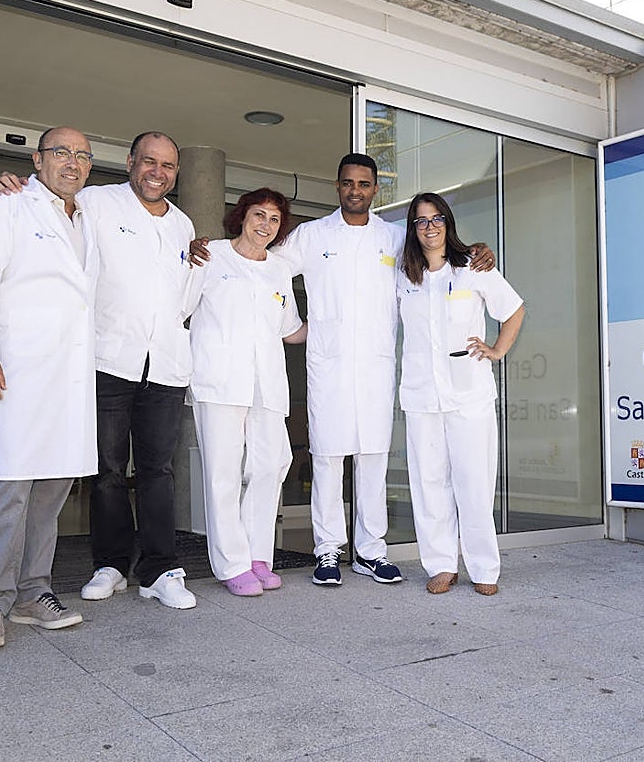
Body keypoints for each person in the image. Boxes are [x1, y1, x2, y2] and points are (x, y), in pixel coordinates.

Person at [192, 154, 495, 587]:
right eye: (348, 183)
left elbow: (437, 252)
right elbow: (261, 260)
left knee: (373, 457)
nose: (356, 190)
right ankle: (328, 550)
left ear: (375, 190)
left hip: (375, 365)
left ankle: (371, 551)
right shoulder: (311, 236)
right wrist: (212, 251)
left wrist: (478, 251)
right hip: (327, 365)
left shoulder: (394, 238)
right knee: (328, 457)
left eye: (365, 183)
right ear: (338, 186)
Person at [0, 131, 197, 611]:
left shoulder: (183, 225)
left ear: (176, 173)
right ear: (130, 162)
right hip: (107, 359)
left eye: (167, 165)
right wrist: (9, 184)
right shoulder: (96, 202)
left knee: (158, 470)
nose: (157, 172)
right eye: (148, 161)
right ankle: (110, 564)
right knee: (105, 471)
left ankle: (161, 570)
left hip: (164, 364)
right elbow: (47, 194)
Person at [0, 126, 98, 649]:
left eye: (83, 156)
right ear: (37, 160)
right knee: (12, 485)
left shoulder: (88, 217)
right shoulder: (8, 207)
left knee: (54, 487)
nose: (73, 162)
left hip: (71, 374)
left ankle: (34, 591)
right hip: (19, 369)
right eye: (61, 152)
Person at [396, 192, 524, 597]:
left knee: (474, 481)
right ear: (412, 229)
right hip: (421, 394)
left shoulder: (473, 266)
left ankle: (484, 567)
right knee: (428, 482)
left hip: (469, 393)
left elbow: (514, 309)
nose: (429, 227)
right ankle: (441, 565)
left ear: (448, 223)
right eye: (420, 221)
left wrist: (498, 349)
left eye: (436, 219)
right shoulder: (403, 275)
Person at [183, 188, 307, 596]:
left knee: (272, 464)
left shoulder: (279, 270)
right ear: (242, 216)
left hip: (267, 383)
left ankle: (258, 556)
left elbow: (290, 330)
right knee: (223, 473)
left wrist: (336, 323)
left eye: (274, 219)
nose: (265, 225)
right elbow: (179, 308)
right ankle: (232, 564)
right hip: (219, 380)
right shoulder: (210, 256)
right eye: (259, 215)